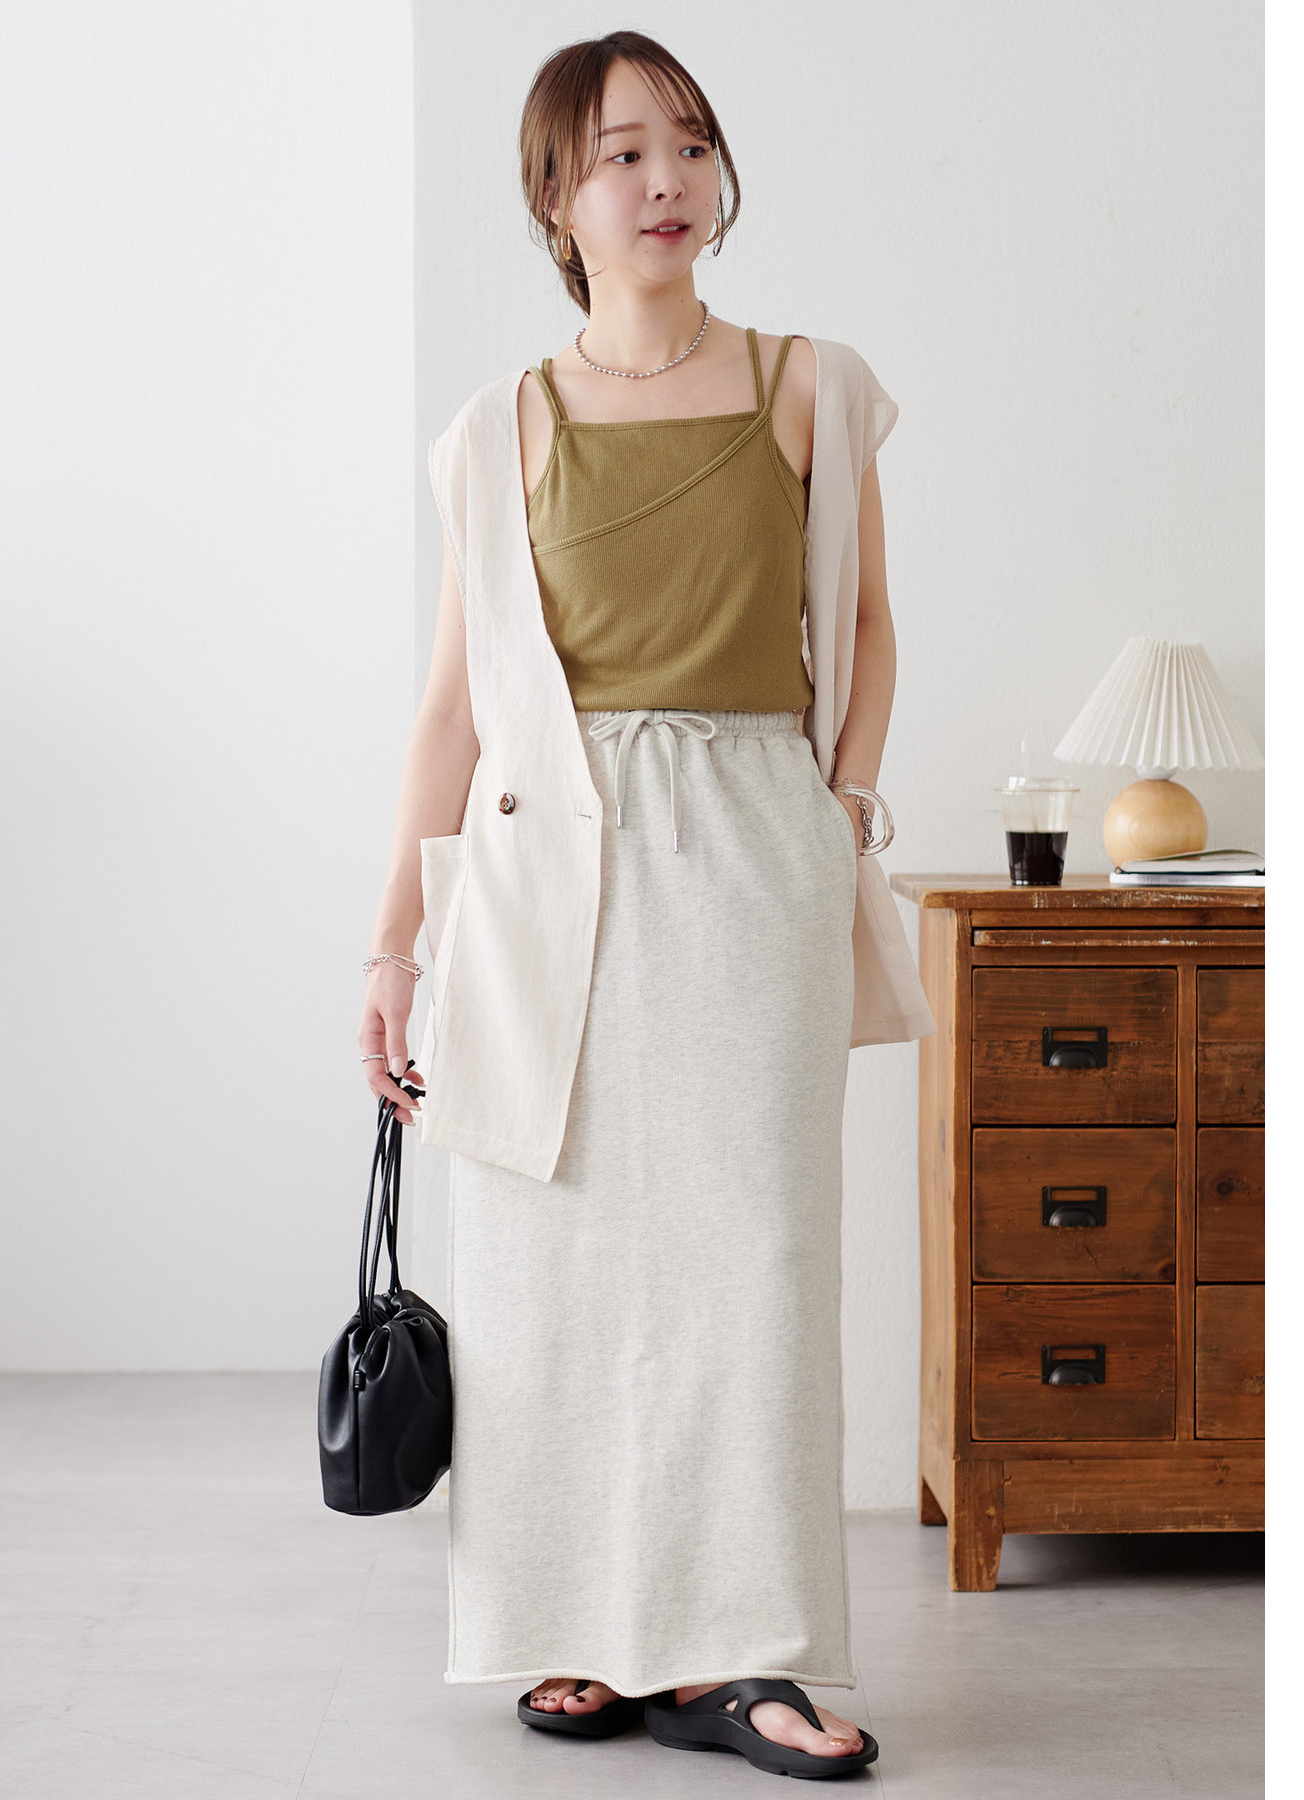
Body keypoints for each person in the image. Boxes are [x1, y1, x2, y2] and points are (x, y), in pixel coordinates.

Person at [359, 30, 919, 1782]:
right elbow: (452, 708)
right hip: (544, 875)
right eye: (622, 153)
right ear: (558, 197)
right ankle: (579, 1629)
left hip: (749, 854)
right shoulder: (499, 428)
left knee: (754, 1261)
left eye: (688, 142)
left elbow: (867, 632)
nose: (666, 178)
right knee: (555, 1264)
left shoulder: (809, 386)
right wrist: (392, 943)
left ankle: (747, 1653)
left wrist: (834, 817)